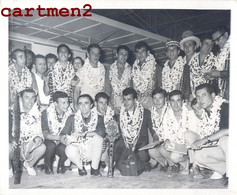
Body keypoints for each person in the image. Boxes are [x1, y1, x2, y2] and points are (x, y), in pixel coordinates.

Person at [189, 83, 229, 179]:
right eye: (198, 96)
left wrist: (205, 139)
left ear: (213, 95)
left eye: (204, 95)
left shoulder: (225, 107)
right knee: (198, 156)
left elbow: (228, 130)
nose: (200, 100)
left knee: (225, 140)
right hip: (219, 148)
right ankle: (225, 170)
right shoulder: (203, 112)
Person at [114, 87, 157, 174]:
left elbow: (153, 130)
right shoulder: (119, 115)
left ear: (135, 100)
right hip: (124, 143)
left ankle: (143, 163)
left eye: (129, 99)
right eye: (124, 100)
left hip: (140, 143)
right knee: (119, 155)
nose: (126, 102)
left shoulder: (145, 113)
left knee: (142, 157)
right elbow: (115, 133)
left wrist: (156, 139)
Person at [64, 94, 106, 176]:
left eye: (86, 103)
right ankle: (81, 168)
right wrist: (66, 139)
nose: (83, 106)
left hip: (92, 151)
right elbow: (63, 134)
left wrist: (83, 134)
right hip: (78, 149)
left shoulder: (98, 117)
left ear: (91, 105)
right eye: (80, 103)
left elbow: (101, 132)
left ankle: (94, 169)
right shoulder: (72, 118)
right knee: (69, 149)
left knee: (98, 138)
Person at [159, 90, 197, 176]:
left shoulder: (190, 112)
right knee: (162, 149)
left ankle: (187, 162)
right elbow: (166, 132)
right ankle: (182, 164)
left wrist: (185, 147)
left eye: (178, 100)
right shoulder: (167, 114)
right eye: (172, 101)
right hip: (176, 144)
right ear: (169, 102)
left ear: (183, 101)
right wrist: (167, 140)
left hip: (188, 145)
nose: (175, 104)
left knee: (174, 157)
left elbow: (193, 132)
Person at [10, 88, 46, 176]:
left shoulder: (37, 113)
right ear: (21, 99)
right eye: (27, 97)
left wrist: (38, 138)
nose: (30, 101)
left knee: (42, 147)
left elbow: (39, 131)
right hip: (14, 143)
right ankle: (8, 168)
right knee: (6, 148)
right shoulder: (11, 112)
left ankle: (29, 165)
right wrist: (12, 139)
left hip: (28, 144)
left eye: (32, 98)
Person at [41, 91, 73, 174]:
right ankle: (47, 165)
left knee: (66, 146)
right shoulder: (46, 113)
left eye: (67, 102)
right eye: (63, 103)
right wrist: (59, 138)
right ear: (55, 103)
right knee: (50, 146)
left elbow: (69, 132)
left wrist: (64, 139)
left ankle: (61, 164)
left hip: (63, 140)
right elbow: (45, 134)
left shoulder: (70, 114)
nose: (67, 105)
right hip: (50, 140)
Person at [204, 25, 230, 100]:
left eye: (218, 39)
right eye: (214, 40)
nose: (216, 43)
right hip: (222, 94)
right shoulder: (220, 53)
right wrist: (212, 76)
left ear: (226, 35)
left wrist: (220, 74)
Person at [148, 88, 169, 170]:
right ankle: (165, 164)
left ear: (165, 99)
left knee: (163, 149)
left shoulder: (170, 109)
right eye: (155, 98)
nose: (157, 101)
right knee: (151, 151)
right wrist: (156, 139)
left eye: (160, 98)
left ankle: (173, 164)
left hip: (171, 140)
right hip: (159, 140)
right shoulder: (152, 111)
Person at [132, 41, 156, 110]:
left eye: (142, 51)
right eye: (138, 52)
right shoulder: (133, 68)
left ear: (148, 52)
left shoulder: (155, 67)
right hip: (137, 101)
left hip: (151, 101)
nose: (140, 54)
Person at [109, 45, 132, 114]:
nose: (123, 56)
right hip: (113, 103)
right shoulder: (110, 69)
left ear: (128, 56)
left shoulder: (131, 70)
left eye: (126, 55)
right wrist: (111, 105)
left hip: (126, 103)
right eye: (121, 54)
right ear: (117, 55)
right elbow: (107, 90)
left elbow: (131, 89)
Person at [179, 30, 201, 100]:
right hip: (183, 98)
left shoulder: (200, 60)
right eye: (185, 46)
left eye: (190, 45)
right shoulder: (180, 62)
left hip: (197, 97)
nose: (187, 48)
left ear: (195, 47)